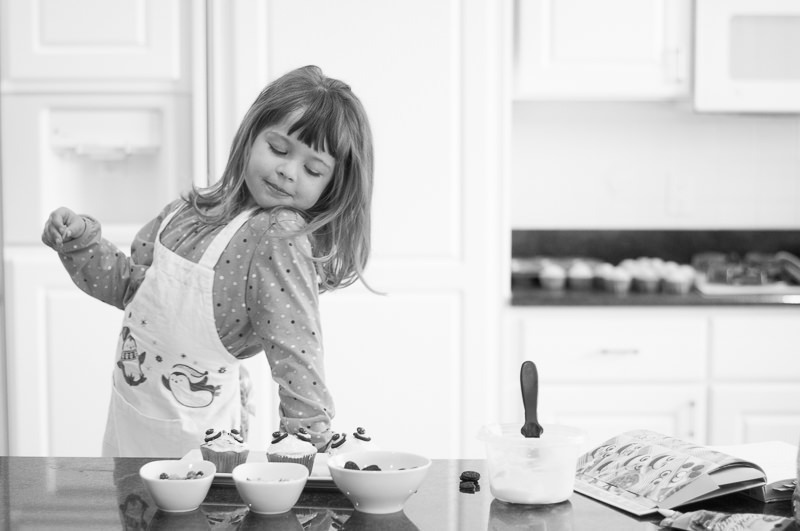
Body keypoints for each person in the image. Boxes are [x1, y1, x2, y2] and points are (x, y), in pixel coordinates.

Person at [41, 65, 374, 457]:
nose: (287, 171)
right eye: (279, 149)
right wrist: (79, 240)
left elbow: (295, 347)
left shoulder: (278, 236)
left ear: (330, 186)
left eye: (312, 169)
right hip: (130, 422)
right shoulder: (190, 211)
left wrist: (309, 446)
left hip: (203, 448)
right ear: (250, 138)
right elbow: (130, 288)